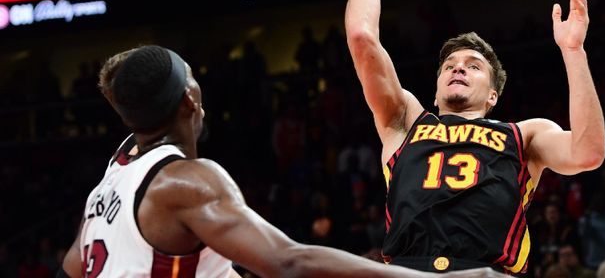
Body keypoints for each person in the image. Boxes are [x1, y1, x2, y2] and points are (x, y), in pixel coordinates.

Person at [57, 45, 502, 278]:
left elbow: (73, 269)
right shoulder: (187, 182)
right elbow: (288, 263)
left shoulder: (111, 180)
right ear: (190, 99)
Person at [336, 0, 605, 274]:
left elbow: (588, 151)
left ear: (493, 95)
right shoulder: (405, 122)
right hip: (408, 270)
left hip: (484, 271)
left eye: (474, 65)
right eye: (449, 65)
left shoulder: (524, 135)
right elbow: (362, 38)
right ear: (434, 93)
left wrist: (574, 50)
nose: (458, 68)